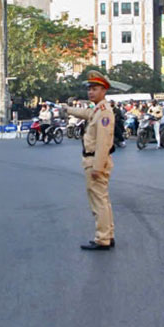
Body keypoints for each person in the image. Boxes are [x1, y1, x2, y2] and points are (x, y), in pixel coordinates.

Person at [63, 71, 116, 251]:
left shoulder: (104, 113)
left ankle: (102, 239)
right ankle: (108, 234)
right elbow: (86, 113)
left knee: (98, 201)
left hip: (95, 160)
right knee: (103, 200)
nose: (90, 93)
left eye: (95, 89)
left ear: (104, 90)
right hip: (93, 159)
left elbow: (103, 143)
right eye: (89, 89)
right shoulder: (98, 109)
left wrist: (97, 167)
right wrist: (68, 109)